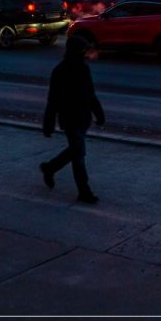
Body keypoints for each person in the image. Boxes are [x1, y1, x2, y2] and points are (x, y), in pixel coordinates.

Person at [40, 36, 105, 204]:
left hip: (82, 117)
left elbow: (90, 94)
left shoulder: (82, 69)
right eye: (82, 50)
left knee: (75, 151)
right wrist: (48, 123)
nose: (85, 53)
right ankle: (84, 191)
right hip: (70, 119)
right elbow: (53, 100)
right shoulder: (61, 71)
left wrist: (98, 113)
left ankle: (50, 168)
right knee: (78, 154)